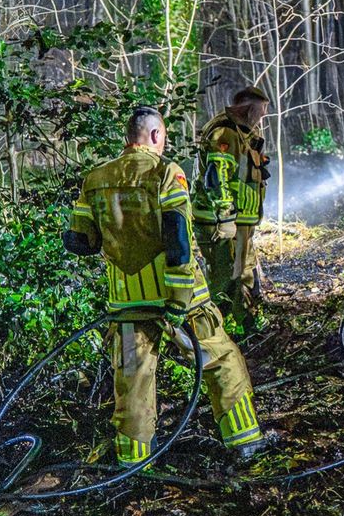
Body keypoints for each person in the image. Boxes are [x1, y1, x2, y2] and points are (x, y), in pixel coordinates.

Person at [63, 107, 266, 464]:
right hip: (179, 300)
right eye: (164, 138)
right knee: (220, 360)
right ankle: (245, 442)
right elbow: (178, 242)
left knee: (133, 382)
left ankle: (134, 461)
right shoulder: (165, 173)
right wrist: (177, 298)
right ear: (155, 136)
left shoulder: (95, 178)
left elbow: (81, 241)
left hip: (126, 301)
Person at [193, 87, 272, 337]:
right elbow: (217, 179)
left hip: (240, 224)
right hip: (221, 224)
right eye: (262, 109)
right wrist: (225, 217)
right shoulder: (223, 133)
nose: (264, 115)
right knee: (224, 278)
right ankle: (212, 335)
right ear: (249, 109)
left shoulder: (245, 134)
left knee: (243, 273)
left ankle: (247, 327)